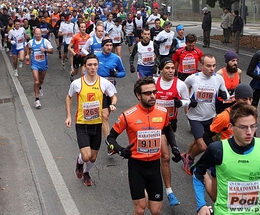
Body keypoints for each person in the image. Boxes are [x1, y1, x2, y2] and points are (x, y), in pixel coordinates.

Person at [192, 103, 260, 215]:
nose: (249, 132)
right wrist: (201, 205)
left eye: (253, 126)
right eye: (243, 127)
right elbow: (197, 172)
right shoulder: (218, 150)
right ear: (231, 127)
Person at [106, 76, 180, 215]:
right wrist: (120, 150)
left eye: (154, 92)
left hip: (154, 166)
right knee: (140, 209)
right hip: (136, 166)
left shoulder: (163, 112)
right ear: (138, 95)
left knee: (155, 210)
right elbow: (110, 139)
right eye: (147, 93)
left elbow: (168, 129)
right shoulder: (127, 115)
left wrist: (174, 147)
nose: (152, 96)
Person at [65, 54, 117, 186]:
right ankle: (79, 162)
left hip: (97, 124)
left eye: (95, 65)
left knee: (93, 158)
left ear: (98, 66)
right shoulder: (77, 83)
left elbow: (113, 96)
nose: (92, 67)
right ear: (85, 66)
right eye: (89, 65)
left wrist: (112, 104)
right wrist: (69, 116)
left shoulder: (104, 82)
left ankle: (86, 173)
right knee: (86, 156)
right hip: (82, 124)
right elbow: (69, 97)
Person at [181, 54, 229, 175]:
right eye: (208, 66)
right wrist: (188, 101)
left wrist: (224, 96)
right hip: (195, 117)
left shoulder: (218, 78)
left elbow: (227, 95)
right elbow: (182, 90)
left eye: (213, 66)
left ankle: (186, 154)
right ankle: (189, 159)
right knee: (202, 146)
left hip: (211, 117)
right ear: (201, 66)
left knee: (200, 140)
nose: (212, 68)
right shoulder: (193, 78)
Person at [155, 58, 190, 207]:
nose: (170, 71)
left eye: (172, 68)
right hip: (154, 124)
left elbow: (188, 100)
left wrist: (180, 103)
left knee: (164, 156)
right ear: (161, 69)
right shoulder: (154, 82)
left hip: (170, 124)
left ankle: (165, 188)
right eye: (167, 68)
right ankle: (169, 192)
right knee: (166, 156)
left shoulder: (180, 84)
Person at [96, 37, 126, 155]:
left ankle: (107, 138)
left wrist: (117, 74)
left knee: (105, 117)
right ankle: (110, 144)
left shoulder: (116, 58)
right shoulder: (96, 57)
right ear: (102, 46)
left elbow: (123, 72)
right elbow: (88, 69)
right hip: (98, 91)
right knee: (105, 116)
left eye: (110, 45)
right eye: (107, 45)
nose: (109, 47)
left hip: (110, 91)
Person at [25, 28, 54, 109]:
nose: (38, 35)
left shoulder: (45, 41)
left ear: (41, 34)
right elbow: (27, 47)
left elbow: (52, 51)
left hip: (43, 64)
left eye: (39, 34)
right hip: (35, 64)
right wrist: (27, 54)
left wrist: (45, 50)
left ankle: (39, 87)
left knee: (41, 81)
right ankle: (37, 99)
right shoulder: (31, 42)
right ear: (34, 34)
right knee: (36, 81)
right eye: (36, 34)